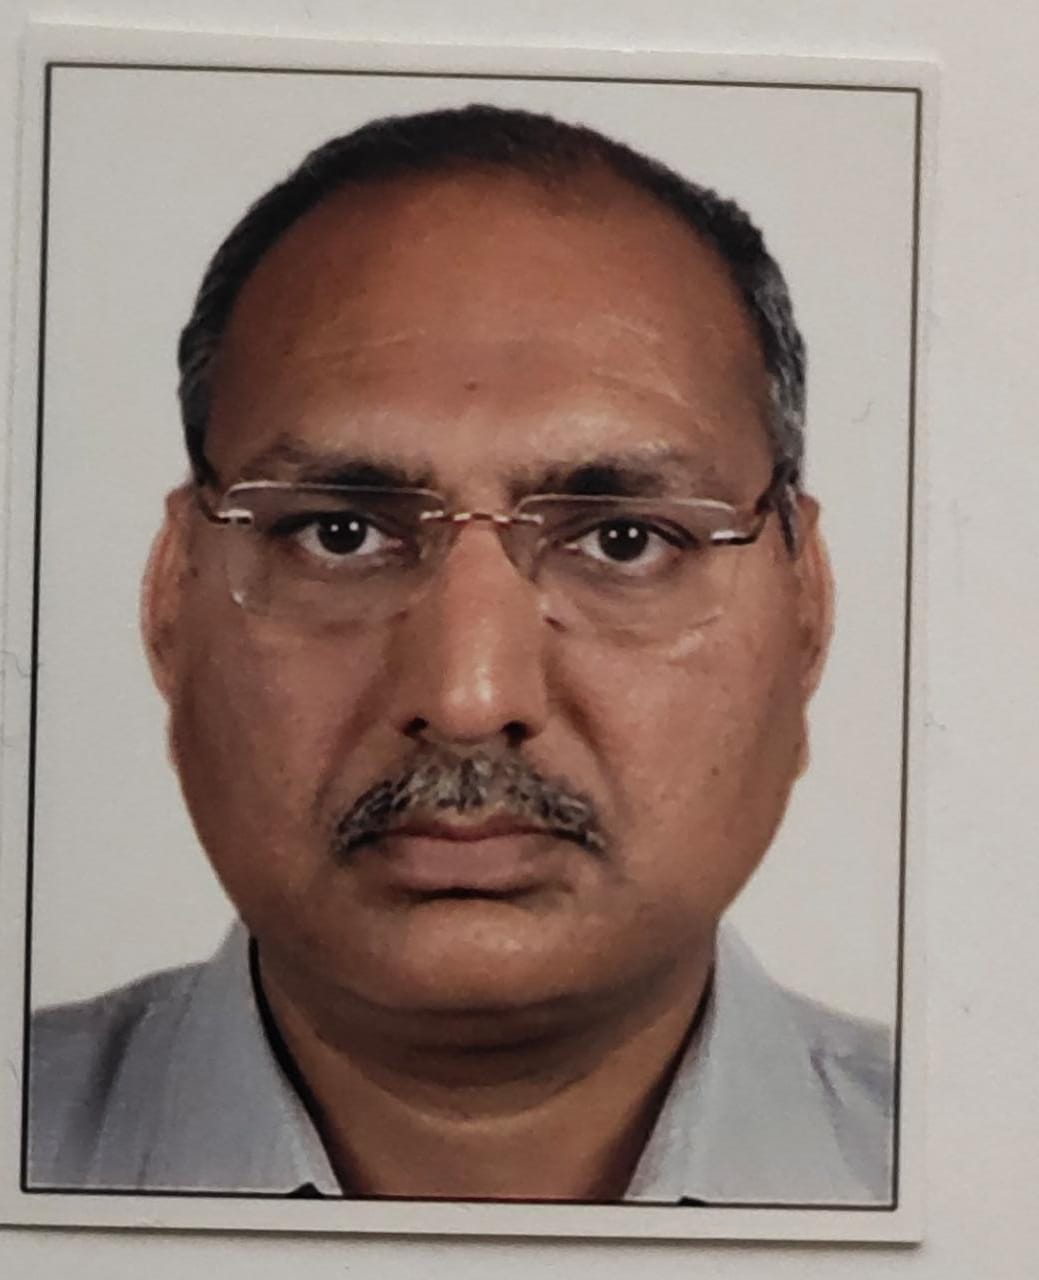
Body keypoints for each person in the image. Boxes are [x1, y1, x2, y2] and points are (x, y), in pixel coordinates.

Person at [28, 104, 893, 1205]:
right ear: (169, 601)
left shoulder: (996, 1179)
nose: (469, 696)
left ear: (806, 611)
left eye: (623, 541)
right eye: (340, 533)